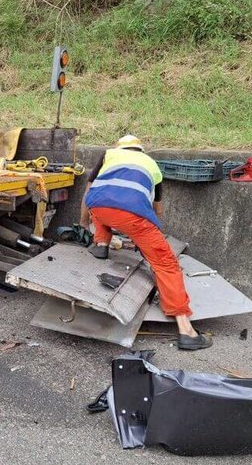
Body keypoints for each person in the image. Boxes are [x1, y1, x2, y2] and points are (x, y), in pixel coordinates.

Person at [79, 134, 211, 350]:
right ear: (140, 150)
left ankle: (101, 245)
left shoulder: (109, 155)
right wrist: (149, 237)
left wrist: (83, 222)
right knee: (166, 264)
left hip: (98, 206)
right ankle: (186, 331)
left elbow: (89, 190)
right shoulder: (152, 165)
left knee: (103, 201)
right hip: (132, 216)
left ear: (120, 147)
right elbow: (157, 209)